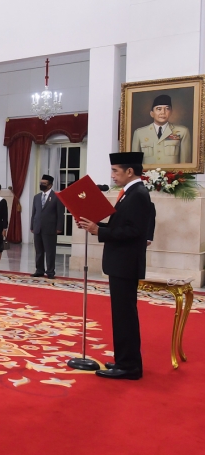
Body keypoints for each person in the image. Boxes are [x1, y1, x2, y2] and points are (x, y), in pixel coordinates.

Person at [78, 152, 154, 380]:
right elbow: (121, 225)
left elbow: (134, 232)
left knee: (125, 316)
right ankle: (124, 359)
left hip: (126, 263)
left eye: (115, 171)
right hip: (121, 262)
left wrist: (99, 231)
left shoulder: (138, 194)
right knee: (121, 315)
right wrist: (94, 225)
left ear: (129, 172)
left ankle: (130, 366)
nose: (112, 176)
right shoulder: (129, 193)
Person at [131, 94, 192, 165]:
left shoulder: (182, 131)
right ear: (152, 113)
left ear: (171, 112)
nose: (163, 112)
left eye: (167, 109)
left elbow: (185, 163)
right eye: (159, 109)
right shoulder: (139, 133)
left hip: (173, 175)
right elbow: (135, 164)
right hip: (147, 175)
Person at [30, 174, 65, 279]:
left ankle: (50, 271)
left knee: (50, 251)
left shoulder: (57, 197)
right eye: (41, 183)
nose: (42, 185)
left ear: (50, 185)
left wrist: (59, 227)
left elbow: (60, 213)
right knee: (39, 251)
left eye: (44, 184)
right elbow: (34, 213)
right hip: (37, 227)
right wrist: (32, 225)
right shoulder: (37, 197)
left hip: (50, 228)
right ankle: (39, 270)